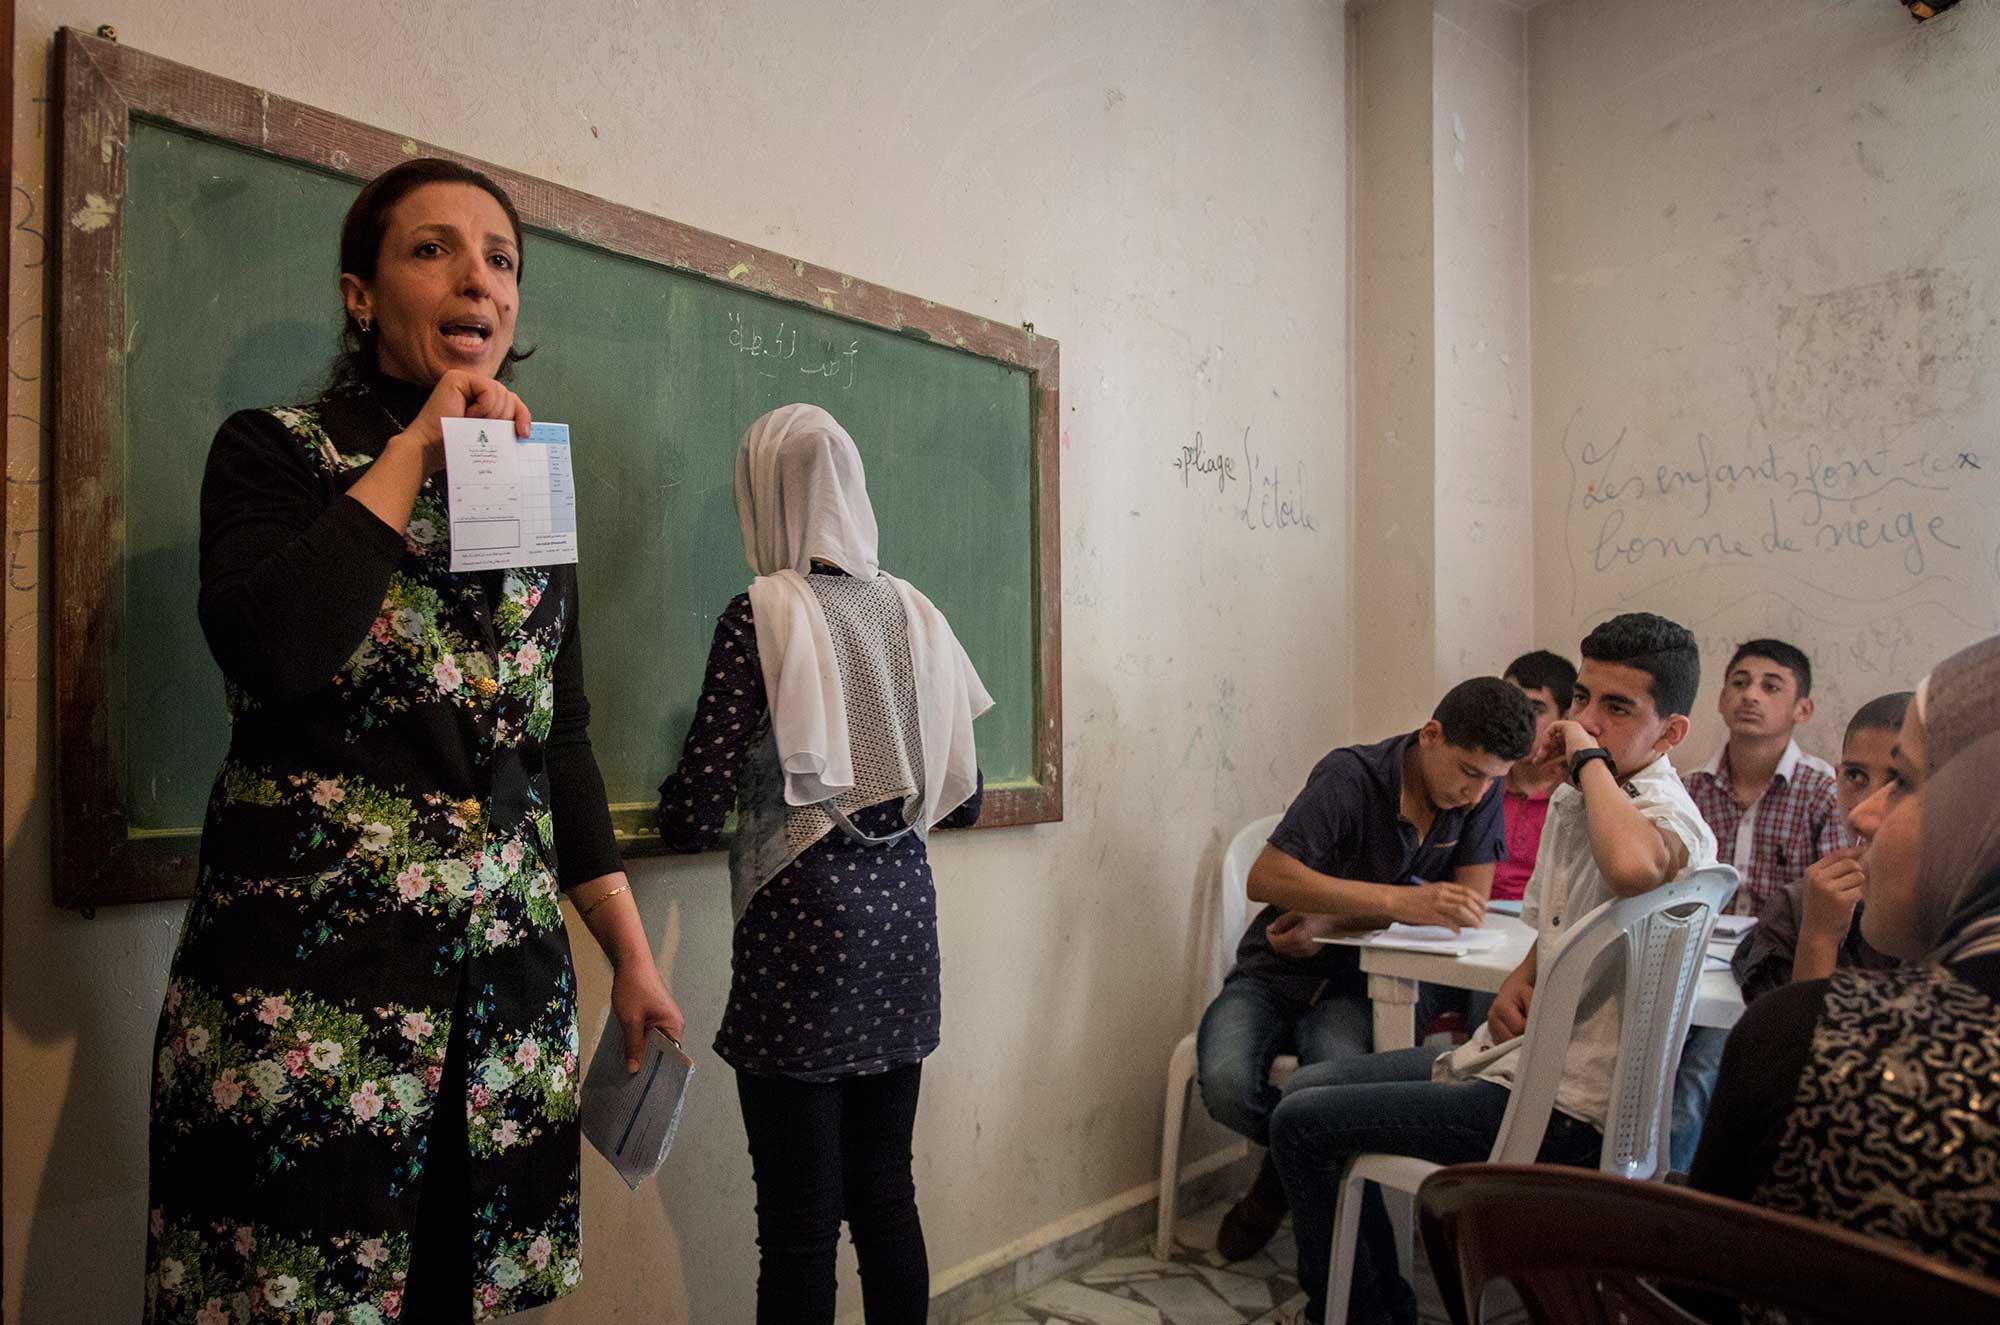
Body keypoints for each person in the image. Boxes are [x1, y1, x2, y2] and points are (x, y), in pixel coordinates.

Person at [144, 160, 682, 1325]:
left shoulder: (531, 485)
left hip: (497, 993)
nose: (475, 276)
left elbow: (557, 734)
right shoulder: (275, 451)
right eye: (432, 249)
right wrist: (414, 452)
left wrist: (628, 953)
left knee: (451, 1293)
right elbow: (272, 647)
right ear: (359, 293)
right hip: (310, 998)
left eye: (499, 258)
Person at [1268, 612, 1717, 1325]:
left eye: (1617, 708)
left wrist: (1586, 758)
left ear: (1669, 734)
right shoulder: (1586, 797)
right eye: (1582, 700)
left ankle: (1369, 1315)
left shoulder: (1664, 809)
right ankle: (1377, 1302)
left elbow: (1634, 865)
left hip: (1568, 1109)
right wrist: (1526, 977)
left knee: (1303, 1124)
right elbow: (1568, 922)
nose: (1587, 723)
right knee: (1311, 1083)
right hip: (1525, 1062)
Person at [655, 404, 990, 1324]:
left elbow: (691, 808)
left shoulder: (759, 614)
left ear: (764, 492)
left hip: (804, 940)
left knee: (799, 1223)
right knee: (886, 1194)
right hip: (902, 933)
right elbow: (966, 795)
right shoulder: (916, 613)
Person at [1690, 634, 2000, 1280]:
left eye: (1909, 782)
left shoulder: (1806, 1035)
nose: (1864, 817)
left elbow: (1701, 1284)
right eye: (1856, 778)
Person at [1198, 678, 1533, 1261]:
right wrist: (1398, 901)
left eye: (1493, 780)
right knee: (1225, 1084)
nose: (1478, 794)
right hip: (1277, 967)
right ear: (1430, 735)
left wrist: (1330, 919)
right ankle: (1294, 1168)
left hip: (1369, 987)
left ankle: (1274, 1191)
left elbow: (1468, 906)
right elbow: (1267, 878)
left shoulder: (1475, 799)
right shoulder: (1350, 778)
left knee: (1332, 1081)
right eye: (1468, 772)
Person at [1671, 639, 1853, 1169]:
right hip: (1693, 962)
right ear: (1722, 698)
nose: (1751, 695)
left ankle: (1673, 1203)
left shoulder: (1822, 790)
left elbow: (1825, 908)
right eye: (1740, 682)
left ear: (1803, 709)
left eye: (1771, 686)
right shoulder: (1689, 788)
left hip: (1766, 971)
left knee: (1701, 1073)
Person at [1729, 692, 1909, 1003]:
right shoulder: (1798, 908)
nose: (1863, 810)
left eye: (1900, 783)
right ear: (1836, 778)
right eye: (1856, 776)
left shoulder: (1967, 916)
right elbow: (1789, 1048)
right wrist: (1819, 938)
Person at [1494, 651, 1577, 904]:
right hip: (1474, 925)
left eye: (1535, 709)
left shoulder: (1580, 795)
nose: (1517, 718)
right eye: (1508, 705)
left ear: (1565, 719)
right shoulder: (1479, 784)